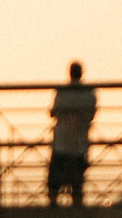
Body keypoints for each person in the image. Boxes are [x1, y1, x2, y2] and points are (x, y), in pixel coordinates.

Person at [49, 61, 97, 206]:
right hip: (80, 140)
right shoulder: (89, 93)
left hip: (61, 140)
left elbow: (54, 112)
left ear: (69, 73)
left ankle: (53, 203)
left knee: (55, 177)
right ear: (81, 73)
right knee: (78, 177)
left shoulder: (62, 92)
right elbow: (91, 114)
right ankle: (77, 203)